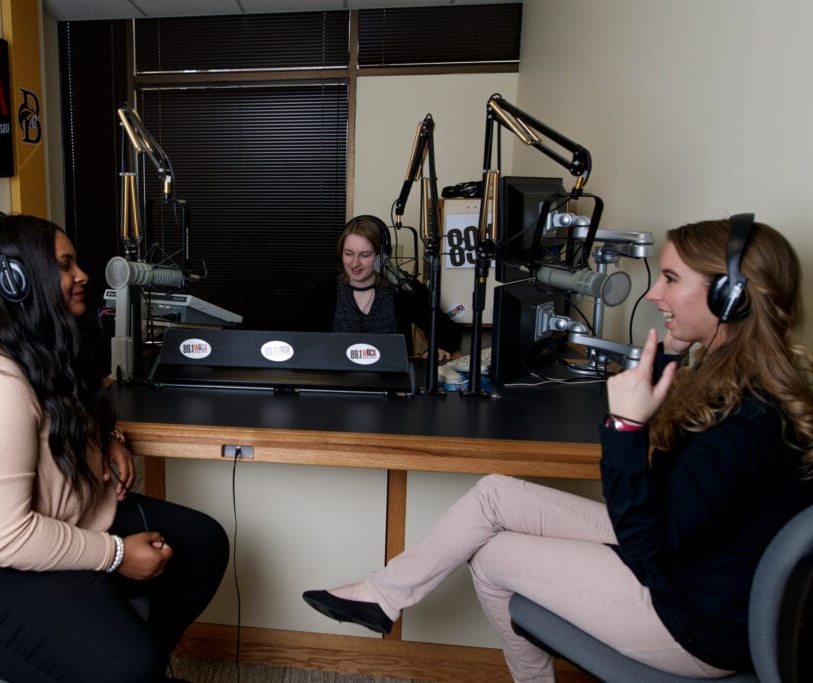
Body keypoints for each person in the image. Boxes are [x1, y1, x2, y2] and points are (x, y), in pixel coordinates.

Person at [303, 216, 813, 680]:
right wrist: (667, 362)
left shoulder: (746, 414)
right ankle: (382, 594)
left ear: (731, 297)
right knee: (495, 494)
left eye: (671, 279)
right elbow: (667, 500)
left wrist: (625, 426)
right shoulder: (737, 380)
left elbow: (643, 537)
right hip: (679, 557)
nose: (655, 294)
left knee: (492, 558)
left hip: (688, 610)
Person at [0, 212, 229, 682]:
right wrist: (117, 553)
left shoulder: (38, 346)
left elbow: (83, 400)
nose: (81, 275)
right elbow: (5, 538)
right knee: (127, 663)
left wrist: (109, 439)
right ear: (16, 281)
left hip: (68, 520)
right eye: (64, 265)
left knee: (202, 545)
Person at [305, 215, 463, 361]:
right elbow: (299, 339)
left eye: (365, 255)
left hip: (393, 385)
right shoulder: (325, 292)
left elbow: (450, 333)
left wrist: (439, 348)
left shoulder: (402, 291)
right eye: (348, 253)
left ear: (382, 256)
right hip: (339, 383)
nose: (354, 263)